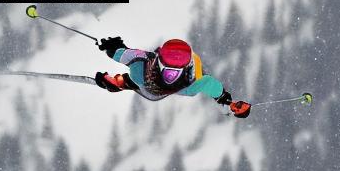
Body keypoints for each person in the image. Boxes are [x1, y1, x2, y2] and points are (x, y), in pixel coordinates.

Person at [93, 37, 251, 118]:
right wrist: (112, 48)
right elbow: (129, 55)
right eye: (168, 70)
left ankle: (116, 83)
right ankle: (116, 83)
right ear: (159, 62)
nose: (171, 76)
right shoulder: (143, 64)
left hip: (172, 86)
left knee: (136, 81)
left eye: (176, 71)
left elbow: (209, 84)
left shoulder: (191, 81)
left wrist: (228, 102)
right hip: (149, 82)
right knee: (137, 79)